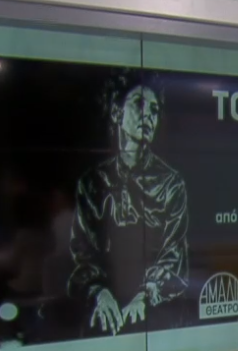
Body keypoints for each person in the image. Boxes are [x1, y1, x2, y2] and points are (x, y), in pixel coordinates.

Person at [68, 70, 190, 337]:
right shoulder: (92, 183)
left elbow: (174, 256)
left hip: (158, 321)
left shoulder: (171, 184)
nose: (149, 116)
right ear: (116, 112)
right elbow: (81, 255)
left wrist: (146, 295)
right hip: (101, 320)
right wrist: (99, 294)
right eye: (139, 104)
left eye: (155, 110)